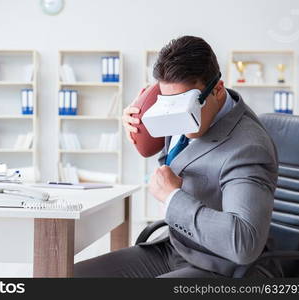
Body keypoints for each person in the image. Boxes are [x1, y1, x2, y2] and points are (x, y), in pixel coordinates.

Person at [74, 36, 282, 278]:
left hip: (219, 266)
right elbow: (174, 159)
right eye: (169, 103)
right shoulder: (186, 110)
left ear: (217, 89)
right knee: (73, 277)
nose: (178, 119)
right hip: (175, 248)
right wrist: (136, 125)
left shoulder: (247, 148)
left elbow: (243, 243)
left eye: (186, 105)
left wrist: (172, 198)